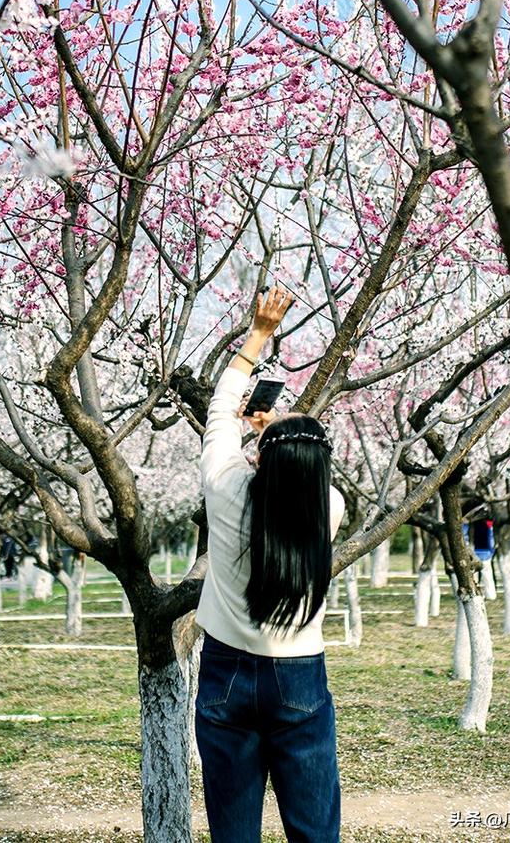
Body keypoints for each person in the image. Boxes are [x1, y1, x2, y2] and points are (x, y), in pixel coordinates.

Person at [195, 284, 345, 843]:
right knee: (313, 831)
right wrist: (271, 436)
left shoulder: (226, 485)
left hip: (225, 672)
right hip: (299, 677)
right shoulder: (328, 507)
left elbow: (219, 412)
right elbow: (292, 478)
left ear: (261, 457)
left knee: (233, 833)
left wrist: (259, 332)